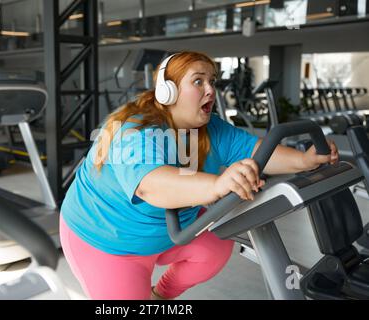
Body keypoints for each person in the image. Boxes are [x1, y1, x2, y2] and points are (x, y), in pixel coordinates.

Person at [59, 51, 339, 300]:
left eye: (212, 81)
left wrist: (304, 160)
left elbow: (258, 152)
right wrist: (218, 184)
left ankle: (161, 296)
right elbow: (150, 186)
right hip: (108, 242)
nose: (210, 90)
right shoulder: (133, 129)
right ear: (168, 91)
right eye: (198, 81)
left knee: (214, 248)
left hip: (170, 233)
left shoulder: (212, 129)